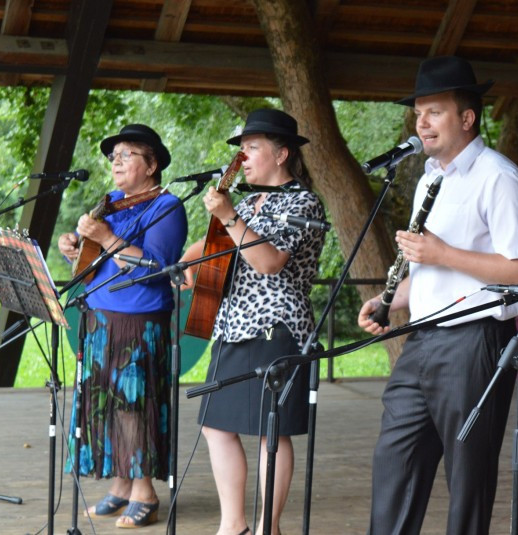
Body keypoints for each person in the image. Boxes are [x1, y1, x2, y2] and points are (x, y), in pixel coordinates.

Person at [357, 56, 518, 535]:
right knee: (393, 465)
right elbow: (433, 270)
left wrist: (443, 253)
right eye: (418, 113)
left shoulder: (499, 177)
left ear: (467, 118)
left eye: (434, 112)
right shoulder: (430, 178)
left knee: (467, 480)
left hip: (476, 340)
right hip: (422, 339)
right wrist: (392, 300)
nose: (421, 122)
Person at [181, 108, 325, 535]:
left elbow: (269, 261)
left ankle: (268, 528)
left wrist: (229, 216)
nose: (242, 156)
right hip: (233, 326)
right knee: (215, 425)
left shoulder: (303, 202)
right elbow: (212, 245)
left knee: (270, 432)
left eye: (252, 147)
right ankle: (233, 526)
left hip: (277, 327)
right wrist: (185, 264)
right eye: (241, 148)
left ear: (282, 154)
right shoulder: (247, 201)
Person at [58, 124, 188, 528]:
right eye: (113, 156)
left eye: (126, 154)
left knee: (134, 405)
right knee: (106, 405)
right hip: (99, 317)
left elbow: (154, 269)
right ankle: (120, 486)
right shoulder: (111, 202)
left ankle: (145, 493)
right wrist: (72, 248)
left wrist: (105, 237)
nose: (116, 162)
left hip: (139, 321)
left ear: (151, 165)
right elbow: (91, 260)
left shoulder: (167, 207)